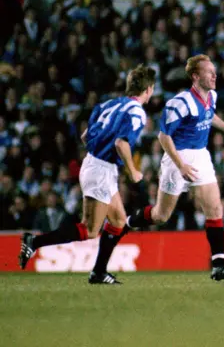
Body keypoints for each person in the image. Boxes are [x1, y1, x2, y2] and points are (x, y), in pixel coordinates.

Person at [19, 65, 156, 284]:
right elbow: (121, 143)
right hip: (101, 169)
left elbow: (85, 136)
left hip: (96, 164)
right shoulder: (137, 111)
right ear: (148, 89)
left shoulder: (110, 103)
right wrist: (133, 171)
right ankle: (34, 242)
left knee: (119, 220)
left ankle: (99, 272)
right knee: (90, 230)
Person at [126, 54, 224, 281]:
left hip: (200, 155)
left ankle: (219, 265)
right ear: (195, 76)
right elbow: (164, 137)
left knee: (214, 209)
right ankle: (129, 222)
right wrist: (180, 164)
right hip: (177, 157)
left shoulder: (211, 95)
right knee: (161, 215)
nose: (214, 75)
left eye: (214, 70)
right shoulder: (180, 103)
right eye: (208, 71)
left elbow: (209, 116)